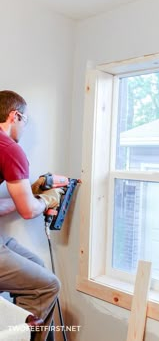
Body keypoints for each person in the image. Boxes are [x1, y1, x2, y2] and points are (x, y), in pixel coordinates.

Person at [0, 90, 64, 341]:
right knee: (48, 285)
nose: (24, 128)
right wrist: (47, 199)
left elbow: (17, 206)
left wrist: (24, 196)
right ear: (14, 115)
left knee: (37, 267)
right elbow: (29, 212)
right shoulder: (9, 149)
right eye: (25, 121)